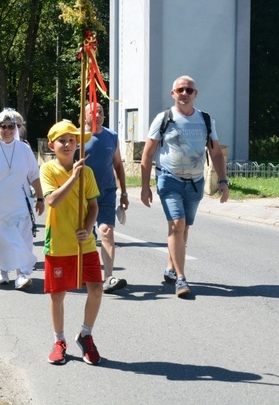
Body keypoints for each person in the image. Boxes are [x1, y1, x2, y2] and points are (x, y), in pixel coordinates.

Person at [140, 75, 229, 298]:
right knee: (177, 224)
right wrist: (144, 186)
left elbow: (216, 152)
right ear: (173, 93)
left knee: (184, 227)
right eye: (180, 90)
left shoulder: (206, 120)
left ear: (195, 94)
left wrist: (223, 181)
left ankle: (170, 269)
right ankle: (181, 278)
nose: (184, 94)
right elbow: (148, 153)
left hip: (196, 182)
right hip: (169, 179)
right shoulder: (164, 118)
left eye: (189, 90)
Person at [40, 120, 102, 366]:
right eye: (62, 140)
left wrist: (87, 230)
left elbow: (94, 206)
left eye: (72, 140)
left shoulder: (87, 172)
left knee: (96, 289)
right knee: (58, 295)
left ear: (78, 144)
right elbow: (52, 201)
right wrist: (73, 177)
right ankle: (59, 340)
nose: (67, 144)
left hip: (83, 244)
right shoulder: (47, 170)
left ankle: (86, 335)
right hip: (58, 243)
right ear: (52, 144)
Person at [0, 110, 44, 290]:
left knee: (23, 239)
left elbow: (34, 175)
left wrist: (40, 198)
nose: (7, 130)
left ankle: (21, 275)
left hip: (21, 204)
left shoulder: (24, 149)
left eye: (11, 126)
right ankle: (4, 269)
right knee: (3, 241)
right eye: (3, 127)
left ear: (16, 128)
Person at [83, 103, 129, 293]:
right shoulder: (77, 137)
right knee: (84, 236)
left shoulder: (111, 136)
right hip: (83, 196)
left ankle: (108, 277)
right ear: (84, 115)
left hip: (107, 193)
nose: (97, 114)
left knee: (107, 232)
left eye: (100, 111)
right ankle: (83, 273)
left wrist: (124, 193)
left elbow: (118, 165)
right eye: (92, 112)